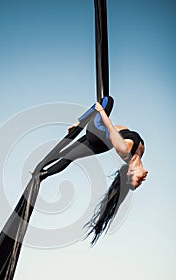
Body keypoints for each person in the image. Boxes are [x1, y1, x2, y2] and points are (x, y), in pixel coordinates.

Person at [39, 96, 148, 244]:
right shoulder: (141, 150)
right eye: (140, 182)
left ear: (130, 172)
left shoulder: (125, 149)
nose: (143, 179)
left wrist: (100, 112)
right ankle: (44, 172)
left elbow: (110, 127)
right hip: (104, 142)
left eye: (138, 181)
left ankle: (41, 174)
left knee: (108, 101)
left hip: (97, 133)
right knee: (70, 155)